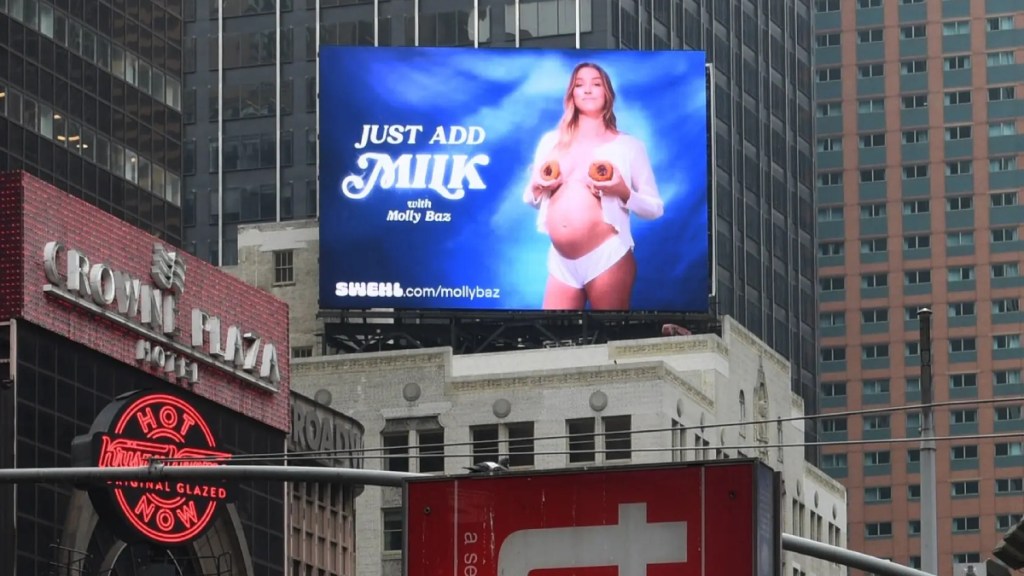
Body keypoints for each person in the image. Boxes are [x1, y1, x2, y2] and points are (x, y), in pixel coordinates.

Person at [523, 62, 664, 310]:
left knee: (609, 337)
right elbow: (530, 198)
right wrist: (537, 185)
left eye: (596, 84)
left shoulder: (629, 146)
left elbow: (654, 208)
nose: (587, 90)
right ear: (572, 94)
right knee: (550, 340)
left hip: (606, 257)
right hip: (560, 262)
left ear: (607, 93)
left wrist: (622, 191)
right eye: (579, 85)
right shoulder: (550, 142)